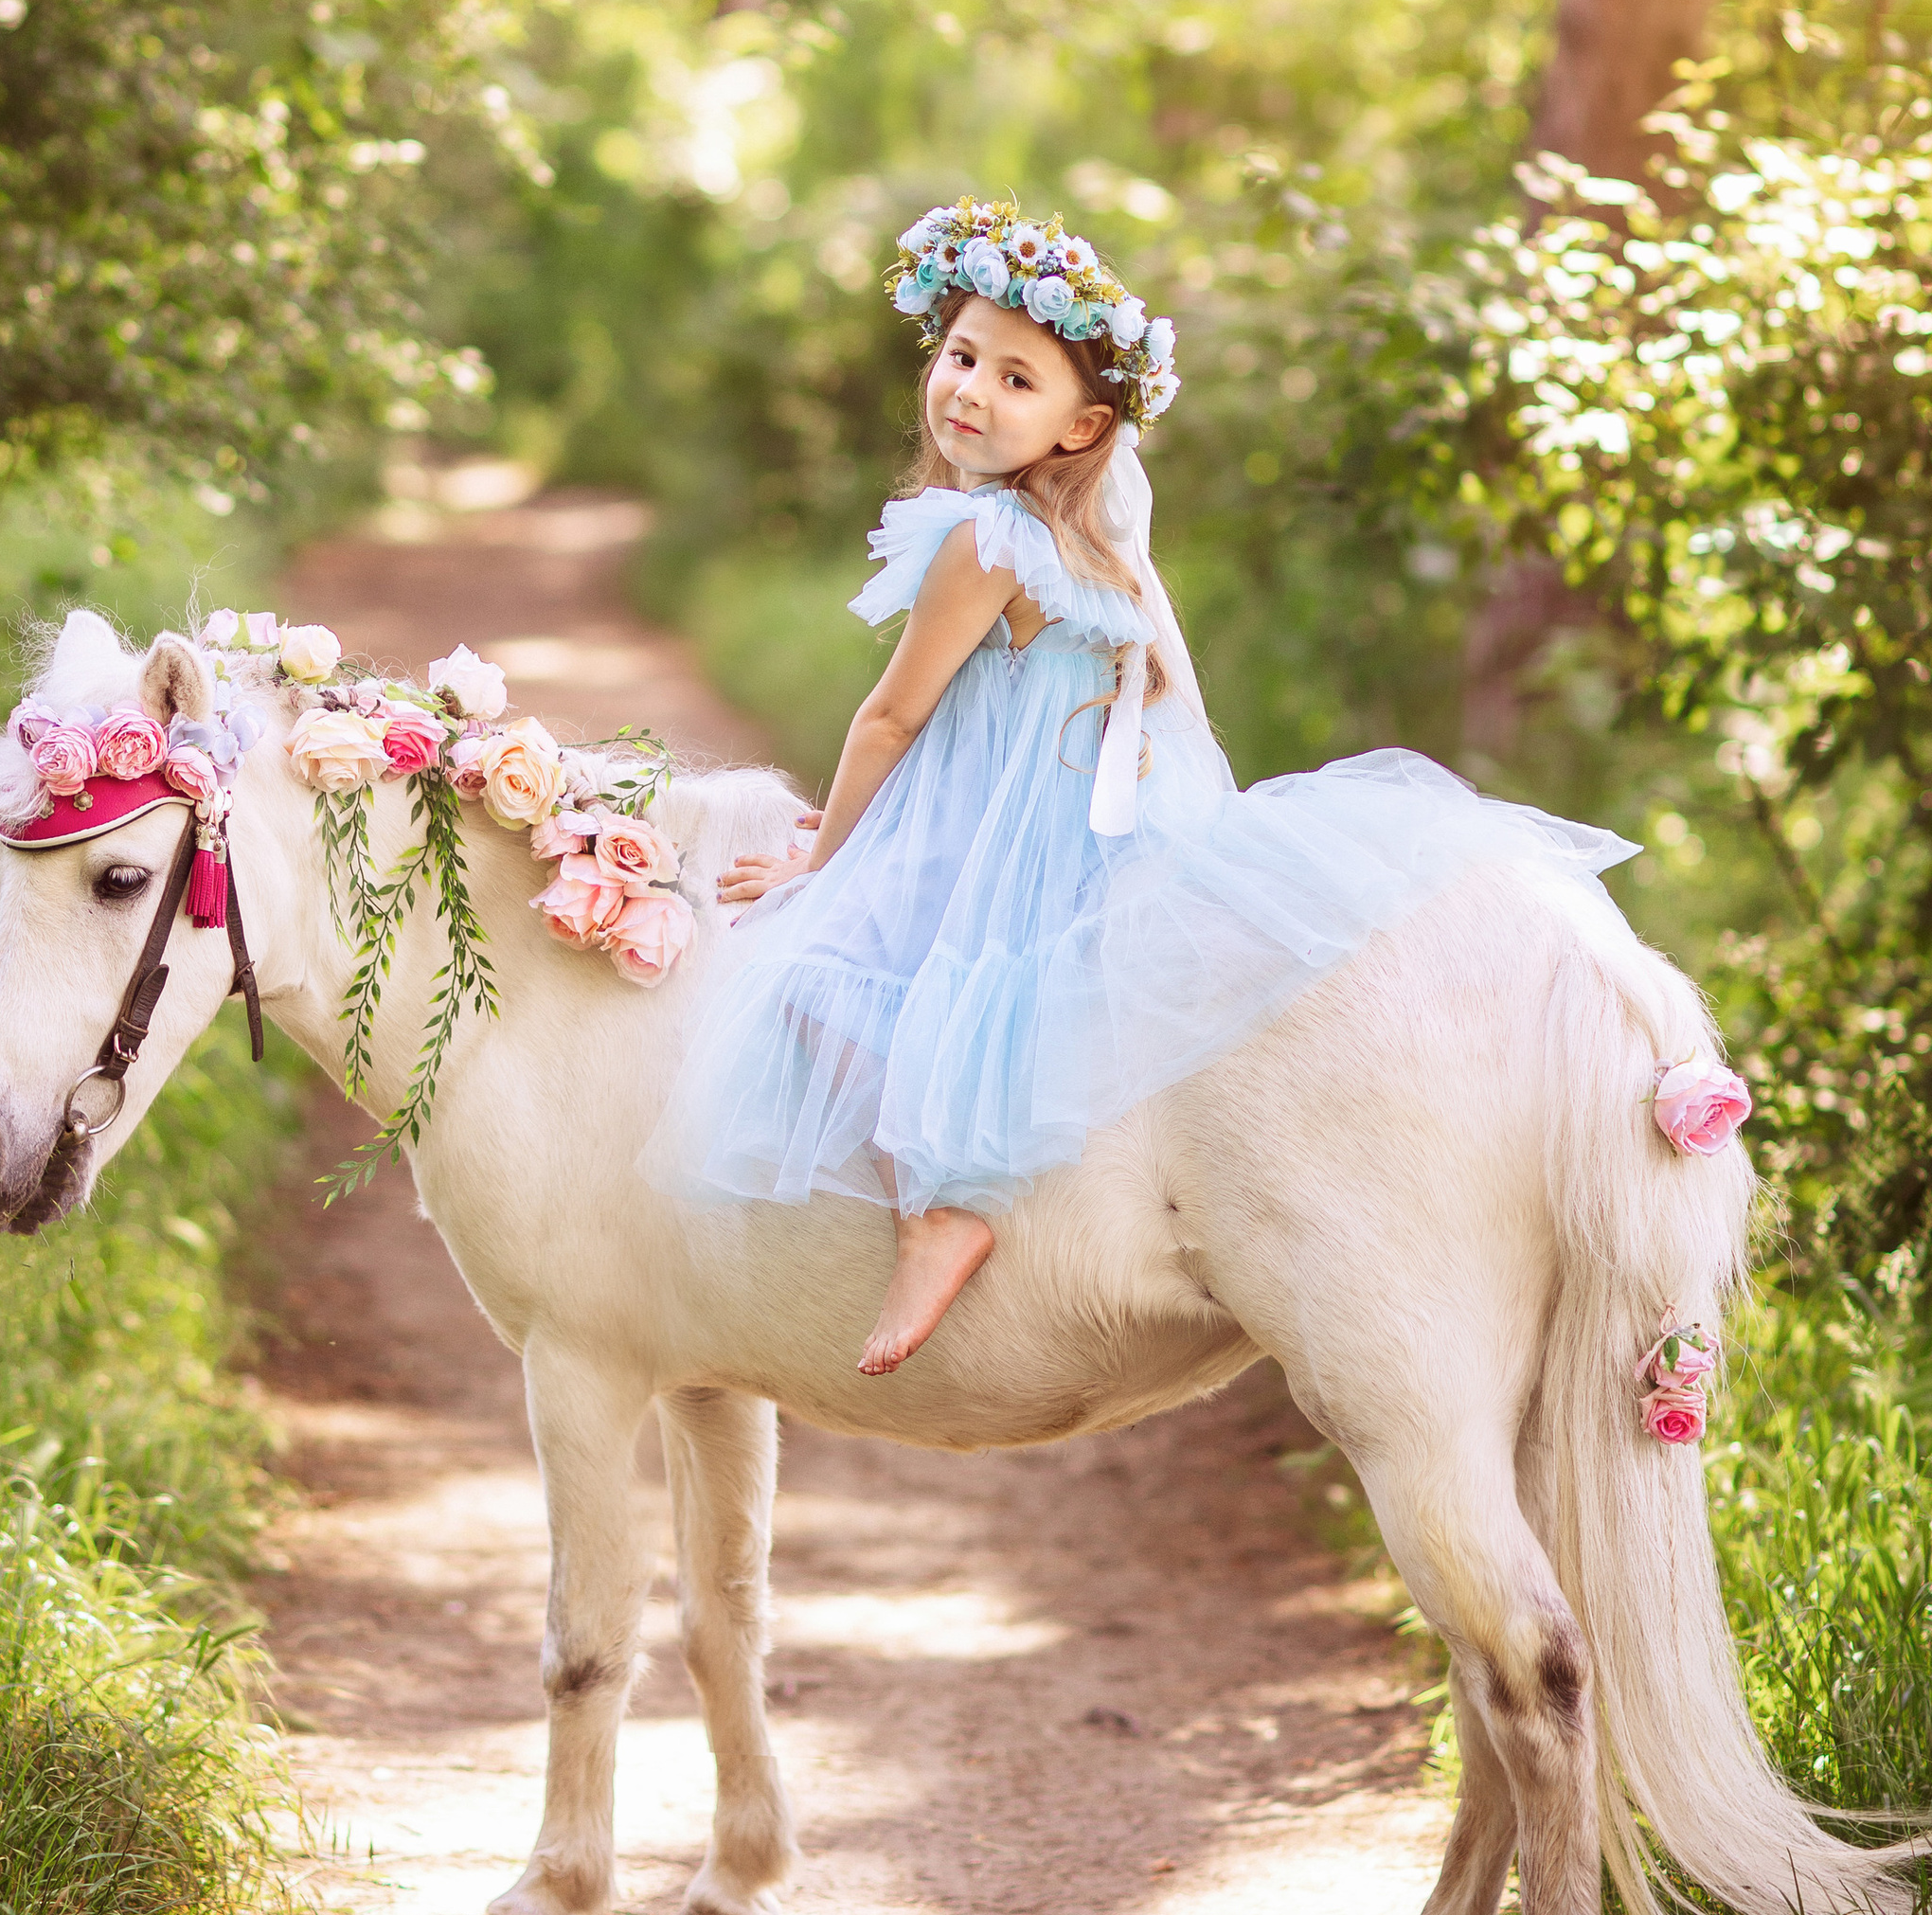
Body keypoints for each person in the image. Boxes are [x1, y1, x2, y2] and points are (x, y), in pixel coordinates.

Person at [645, 196, 1637, 1377]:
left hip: (1017, 832)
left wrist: (824, 861)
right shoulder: (1091, 547)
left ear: (1082, 426)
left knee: (812, 977)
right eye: (962, 357)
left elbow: (893, 716)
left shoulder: (983, 541)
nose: (970, 390)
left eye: (1018, 380)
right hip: (1096, 823)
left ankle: (938, 1204)